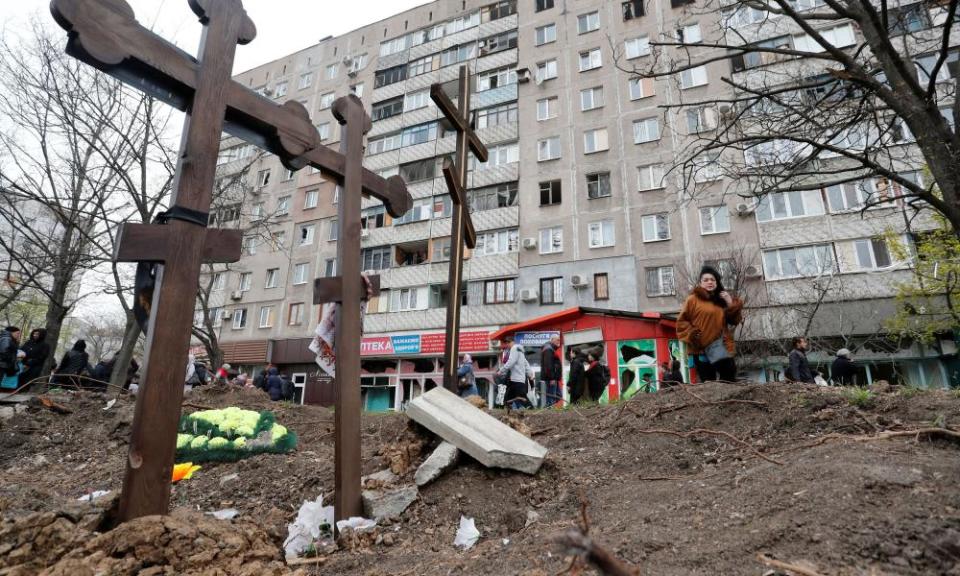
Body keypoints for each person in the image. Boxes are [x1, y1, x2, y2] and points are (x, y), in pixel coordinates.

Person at [676, 266, 744, 382]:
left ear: (717, 282)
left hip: (720, 346)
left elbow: (735, 321)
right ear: (700, 282)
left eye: (712, 280)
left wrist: (730, 302)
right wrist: (692, 334)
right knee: (708, 383)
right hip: (701, 348)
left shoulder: (720, 300)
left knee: (729, 378)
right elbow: (681, 322)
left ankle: (729, 400)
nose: (710, 282)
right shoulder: (692, 299)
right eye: (706, 280)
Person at [498, 335, 534, 409]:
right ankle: (507, 411)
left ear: (511, 342)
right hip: (516, 379)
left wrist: (501, 370)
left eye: (508, 343)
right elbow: (525, 363)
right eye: (506, 343)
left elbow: (511, 362)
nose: (507, 345)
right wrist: (529, 373)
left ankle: (531, 408)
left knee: (521, 397)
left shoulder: (514, 348)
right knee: (507, 398)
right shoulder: (519, 350)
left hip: (517, 379)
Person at [540, 335, 562, 407]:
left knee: (558, 395)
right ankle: (549, 411)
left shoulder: (550, 349)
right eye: (557, 340)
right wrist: (551, 378)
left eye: (559, 340)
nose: (559, 341)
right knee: (551, 397)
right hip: (550, 378)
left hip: (553, 377)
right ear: (552, 340)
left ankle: (549, 409)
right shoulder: (548, 349)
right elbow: (548, 365)